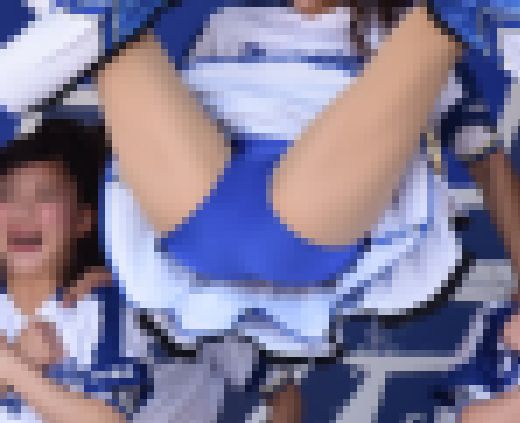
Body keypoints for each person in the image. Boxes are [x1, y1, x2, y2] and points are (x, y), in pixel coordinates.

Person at [0, 118, 149, 423]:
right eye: (6, 195)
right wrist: (17, 359)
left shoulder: (106, 308)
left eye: (45, 195)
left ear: (84, 220)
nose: (23, 211)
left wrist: (15, 370)